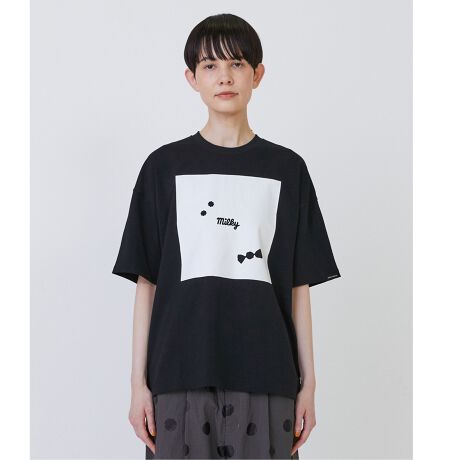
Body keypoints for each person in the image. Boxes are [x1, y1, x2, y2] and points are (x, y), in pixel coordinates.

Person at [112, 13, 341, 460]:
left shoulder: (287, 169)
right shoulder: (163, 168)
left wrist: (309, 384)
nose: (224, 77)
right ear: (192, 78)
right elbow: (147, 284)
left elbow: (299, 286)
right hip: (178, 375)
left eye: (237, 64)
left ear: (257, 74)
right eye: (210, 65)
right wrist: (137, 384)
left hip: (268, 376)